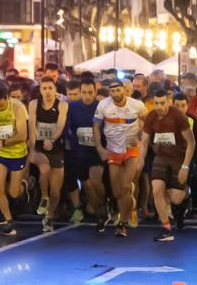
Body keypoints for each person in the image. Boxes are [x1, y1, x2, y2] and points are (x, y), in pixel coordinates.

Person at [93, 79, 147, 238]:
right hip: (113, 150)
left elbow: (149, 123)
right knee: (117, 192)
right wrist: (100, 148)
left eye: (118, 90)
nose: (115, 93)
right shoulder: (103, 105)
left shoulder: (136, 105)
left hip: (132, 149)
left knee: (124, 186)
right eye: (112, 91)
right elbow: (96, 127)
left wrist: (140, 136)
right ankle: (129, 201)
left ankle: (122, 224)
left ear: (124, 90)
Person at [139, 90, 195, 241]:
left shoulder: (178, 116)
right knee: (157, 189)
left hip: (178, 157)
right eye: (156, 103)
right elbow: (144, 142)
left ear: (169, 101)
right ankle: (166, 228)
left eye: (162, 103)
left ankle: (186, 194)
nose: (159, 107)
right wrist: (141, 159)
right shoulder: (151, 116)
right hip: (161, 157)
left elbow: (191, 142)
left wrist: (185, 166)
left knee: (176, 198)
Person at [0, 81, 29, 236]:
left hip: (17, 153)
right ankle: (9, 222)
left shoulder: (17, 108)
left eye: (1, 106)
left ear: (7, 99)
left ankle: (25, 186)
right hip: (0, 154)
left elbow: (23, 135)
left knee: (14, 192)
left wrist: (2, 142)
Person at [65, 78, 106, 230]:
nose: (87, 96)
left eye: (90, 92)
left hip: (97, 152)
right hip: (79, 152)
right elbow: (68, 128)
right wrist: (72, 140)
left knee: (96, 180)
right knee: (87, 185)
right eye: (84, 93)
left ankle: (103, 206)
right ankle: (99, 213)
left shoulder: (101, 107)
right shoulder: (72, 107)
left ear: (95, 92)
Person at [29, 77, 68, 232]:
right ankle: (44, 198)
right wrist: (32, 148)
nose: (47, 92)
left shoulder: (62, 105)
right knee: (44, 168)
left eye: (50, 88)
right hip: (39, 147)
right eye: (44, 88)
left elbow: (60, 124)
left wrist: (52, 139)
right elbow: (32, 126)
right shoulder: (33, 104)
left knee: (56, 191)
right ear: (40, 90)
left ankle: (49, 217)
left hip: (55, 147)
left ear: (55, 90)